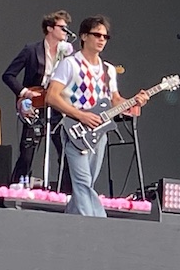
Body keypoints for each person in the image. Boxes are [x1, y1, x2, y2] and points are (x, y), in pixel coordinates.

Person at [46, 15, 149, 217]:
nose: (102, 39)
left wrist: (134, 101)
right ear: (84, 36)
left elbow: (115, 100)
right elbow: (51, 96)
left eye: (105, 36)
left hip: (99, 132)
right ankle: (98, 222)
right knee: (83, 182)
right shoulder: (70, 64)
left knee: (87, 182)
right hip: (75, 129)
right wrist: (80, 115)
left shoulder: (108, 69)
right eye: (97, 35)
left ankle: (70, 221)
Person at [2, 10, 73, 191]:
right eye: (62, 27)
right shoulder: (31, 50)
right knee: (28, 152)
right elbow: (8, 75)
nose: (66, 31)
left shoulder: (66, 55)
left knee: (64, 150)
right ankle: (16, 188)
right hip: (34, 104)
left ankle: (65, 192)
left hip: (56, 106)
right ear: (50, 28)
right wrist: (24, 92)